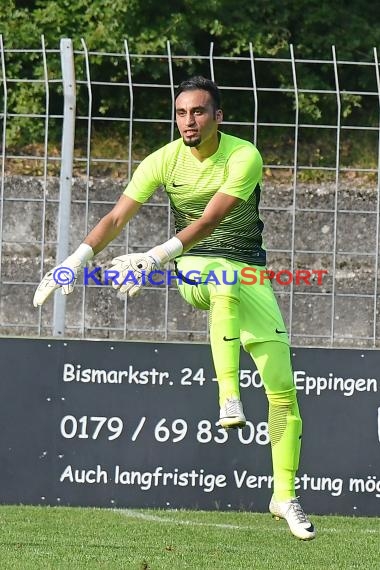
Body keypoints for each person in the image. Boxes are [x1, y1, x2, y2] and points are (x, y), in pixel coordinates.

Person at [33, 76, 315, 540]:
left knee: (284, 391)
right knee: (222, 282)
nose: (189, 121)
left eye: (199, 112)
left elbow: (214, 217)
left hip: (251, 275)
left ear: (217, 117)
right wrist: (74, 261)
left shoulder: (243, 155)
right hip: (197, 269)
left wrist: (152, 257)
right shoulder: (164, 159)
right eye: (182, 113)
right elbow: (117, 217)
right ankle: (229, 395)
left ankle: (283, 495)